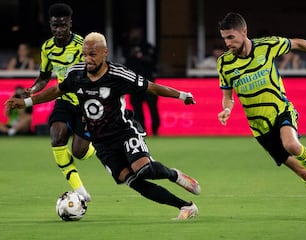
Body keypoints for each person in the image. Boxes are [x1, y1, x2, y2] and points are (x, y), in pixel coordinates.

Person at [6, 32, 201, 220]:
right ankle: (186, 206)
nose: (87, 59)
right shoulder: (76, 74)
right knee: (134, 181)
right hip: (101, 142)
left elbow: (151, 86)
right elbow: (57, 90)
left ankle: (174, 175)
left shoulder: (118, 74)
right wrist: (27, 102)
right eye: (84, 54)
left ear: (104, 53)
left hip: (124, 132)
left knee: (144, 170)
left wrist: (182, 95)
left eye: (92, 54)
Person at [216, 12, 306, 219]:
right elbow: (228, 96)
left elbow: (298, 43)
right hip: (259, 128)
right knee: (302, 172)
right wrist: (227, 109)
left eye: (231, 37)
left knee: (292, 145)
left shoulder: (267, 46)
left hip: (281, 110)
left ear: (244, 32)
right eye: (224, 38)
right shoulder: (224, 63)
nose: (227, 43)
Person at [26, 3, 95, 201]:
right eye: (55, 26)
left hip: (85, 102)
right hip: (63, 99)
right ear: (50, 24)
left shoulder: (82, 46)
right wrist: (32, 90)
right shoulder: (47, 47)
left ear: (70, 23)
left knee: (79, 152)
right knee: (57, 138)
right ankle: (80, 191)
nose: (59, 30)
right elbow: (44, 77)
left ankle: (97, 143)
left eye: (63, 25)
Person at [123, 27, 160, 136]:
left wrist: (142, 57)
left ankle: (155, 129)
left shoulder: (147, 47)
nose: (133, 35)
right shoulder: (127, 48)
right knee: (137, 108)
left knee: (152, 106)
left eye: (136, 32)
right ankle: (141, 129)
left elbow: (153, 61)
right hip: (134, 84)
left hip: (148, 82)